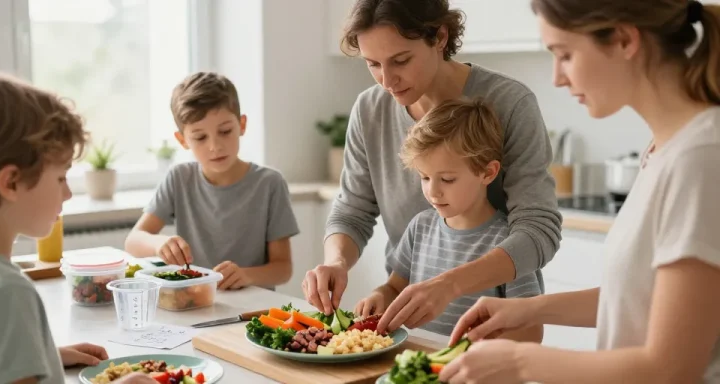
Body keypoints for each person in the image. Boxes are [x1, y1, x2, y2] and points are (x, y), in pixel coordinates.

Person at [438, 1, 720, 383]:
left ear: (623, 40)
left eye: (565, 55)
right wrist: (529, 310)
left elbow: (670, 368)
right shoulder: (664, 149)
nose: (557, 77)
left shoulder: (700, 157)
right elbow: (640, 301)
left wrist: (519, 362)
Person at [303, 0, 562, 327]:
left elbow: (538, 229)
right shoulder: (369, 110)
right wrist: (336, 263)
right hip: (408, 324)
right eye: (372, 64)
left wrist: (449, 285)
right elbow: (352, 210)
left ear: (439, 37)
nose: (386, 81)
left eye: (401, 60)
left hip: (486, 327)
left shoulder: (509, 103)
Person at [0, 75, 156, 384]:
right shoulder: (5, 292)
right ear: (11, 183)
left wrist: (42, 354)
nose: (68, 194)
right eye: (61, 178)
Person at [354, 98, 544, 341]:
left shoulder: (508, 245)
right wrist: (380, 296)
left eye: (447, 179)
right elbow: (394, 287)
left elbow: (532, 330)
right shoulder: (420, 227)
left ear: (487, 172)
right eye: (424, 177)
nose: (433, 191)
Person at [124, 72, 300, 291]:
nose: (215, 146)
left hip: (253, 307)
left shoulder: (269, 183)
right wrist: (158, 243)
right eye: (200, 137)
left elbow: (283, 269)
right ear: (182, 140)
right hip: (194, 303)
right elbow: (133, 241)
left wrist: (245, 275)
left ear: (242, 125)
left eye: (225, 131)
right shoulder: (179, 178)